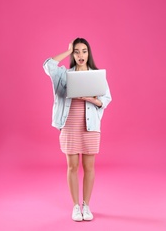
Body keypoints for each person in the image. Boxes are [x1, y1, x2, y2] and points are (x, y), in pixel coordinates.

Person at [43, 38, 112, 221]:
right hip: (69, 125)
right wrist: (67, 50)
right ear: (73, 54)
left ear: (89, 53)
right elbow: (48, 65)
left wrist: (89, 98)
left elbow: (105, 100)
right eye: (77, 51)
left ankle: (86, 206)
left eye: (84, 51)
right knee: (72, 166)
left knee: (89, 167)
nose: (81, 55)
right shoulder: (63, 75)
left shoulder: (97, 75)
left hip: (90, 127)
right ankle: (75, 206)